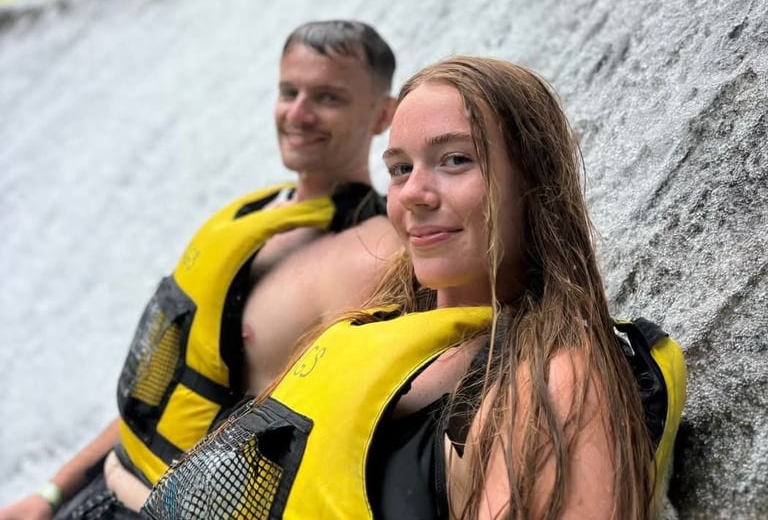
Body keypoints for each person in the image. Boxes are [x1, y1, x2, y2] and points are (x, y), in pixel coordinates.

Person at [142, 55, 686, 520]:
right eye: (400, 169)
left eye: (455, 160)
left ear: (535, 182)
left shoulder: (555, 380)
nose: (414, 195)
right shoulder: (371, 326)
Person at [0, 20, 402, 520]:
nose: (297, 113)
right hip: (95, 493)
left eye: (327, 98)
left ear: (382, 114)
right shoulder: (251, 218)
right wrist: (51, 492)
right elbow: (171, 394)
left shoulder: (375, 258)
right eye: (288, 91)